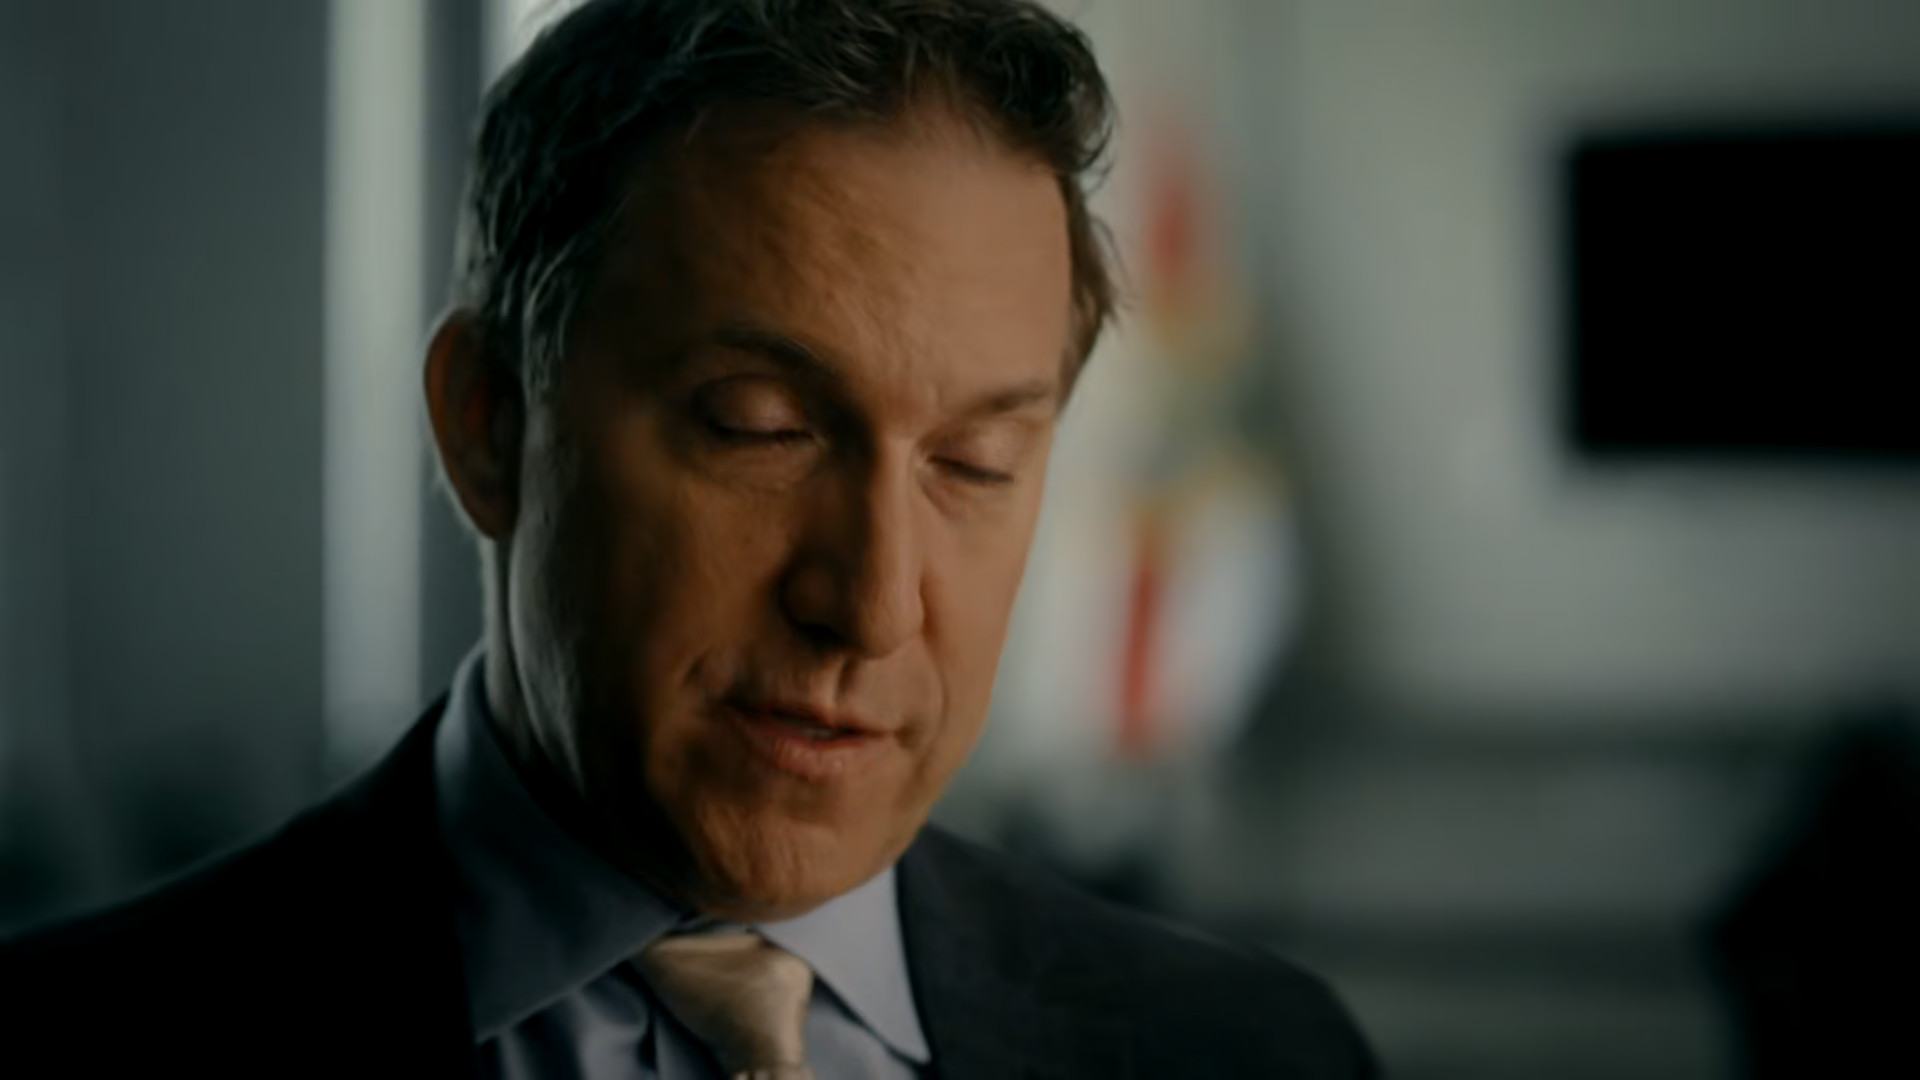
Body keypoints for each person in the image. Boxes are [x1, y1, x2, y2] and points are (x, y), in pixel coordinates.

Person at [0, 1, 1376, 1076]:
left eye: (975, 464)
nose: (874, 604)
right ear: (491, 423)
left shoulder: (1255, 1055)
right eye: (761, 427)